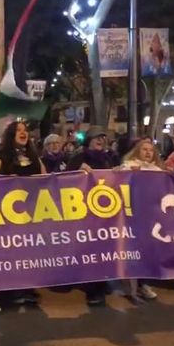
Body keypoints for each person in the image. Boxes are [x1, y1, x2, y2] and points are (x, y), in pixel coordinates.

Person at [0, 121, 46, 308]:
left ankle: (27, 288)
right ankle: (10, 290)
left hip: (31, 213)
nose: (23, 133)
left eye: (25, 130)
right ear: (10, 135)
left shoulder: (34, 156)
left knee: (29, 253)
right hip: (7, 215)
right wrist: (5, 182)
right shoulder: (0, 156)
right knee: (10, 254)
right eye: (18, 130)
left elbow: (46, 177)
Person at [65, 126, 112, 307]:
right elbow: (65, 177)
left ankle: (100, 284)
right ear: (89, 140)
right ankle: (93, 288)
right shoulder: (79, 157)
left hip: (104, 210)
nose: (100, 140)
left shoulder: (107, 158)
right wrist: (77, 168)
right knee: (90, 250)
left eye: (103, 138)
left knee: (103, 248)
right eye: (96, 138)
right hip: (83, 210)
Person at [116, 138, 161, 302]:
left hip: (150, 216)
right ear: (137, 152)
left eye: (151, 150)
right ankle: (131, 289)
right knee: (131, 251)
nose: (148, 153)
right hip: (131, 215)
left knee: (146, 252)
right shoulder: (128, 166)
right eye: (144, 149)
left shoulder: (157, 170)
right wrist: (129, 175)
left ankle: (143, 285)